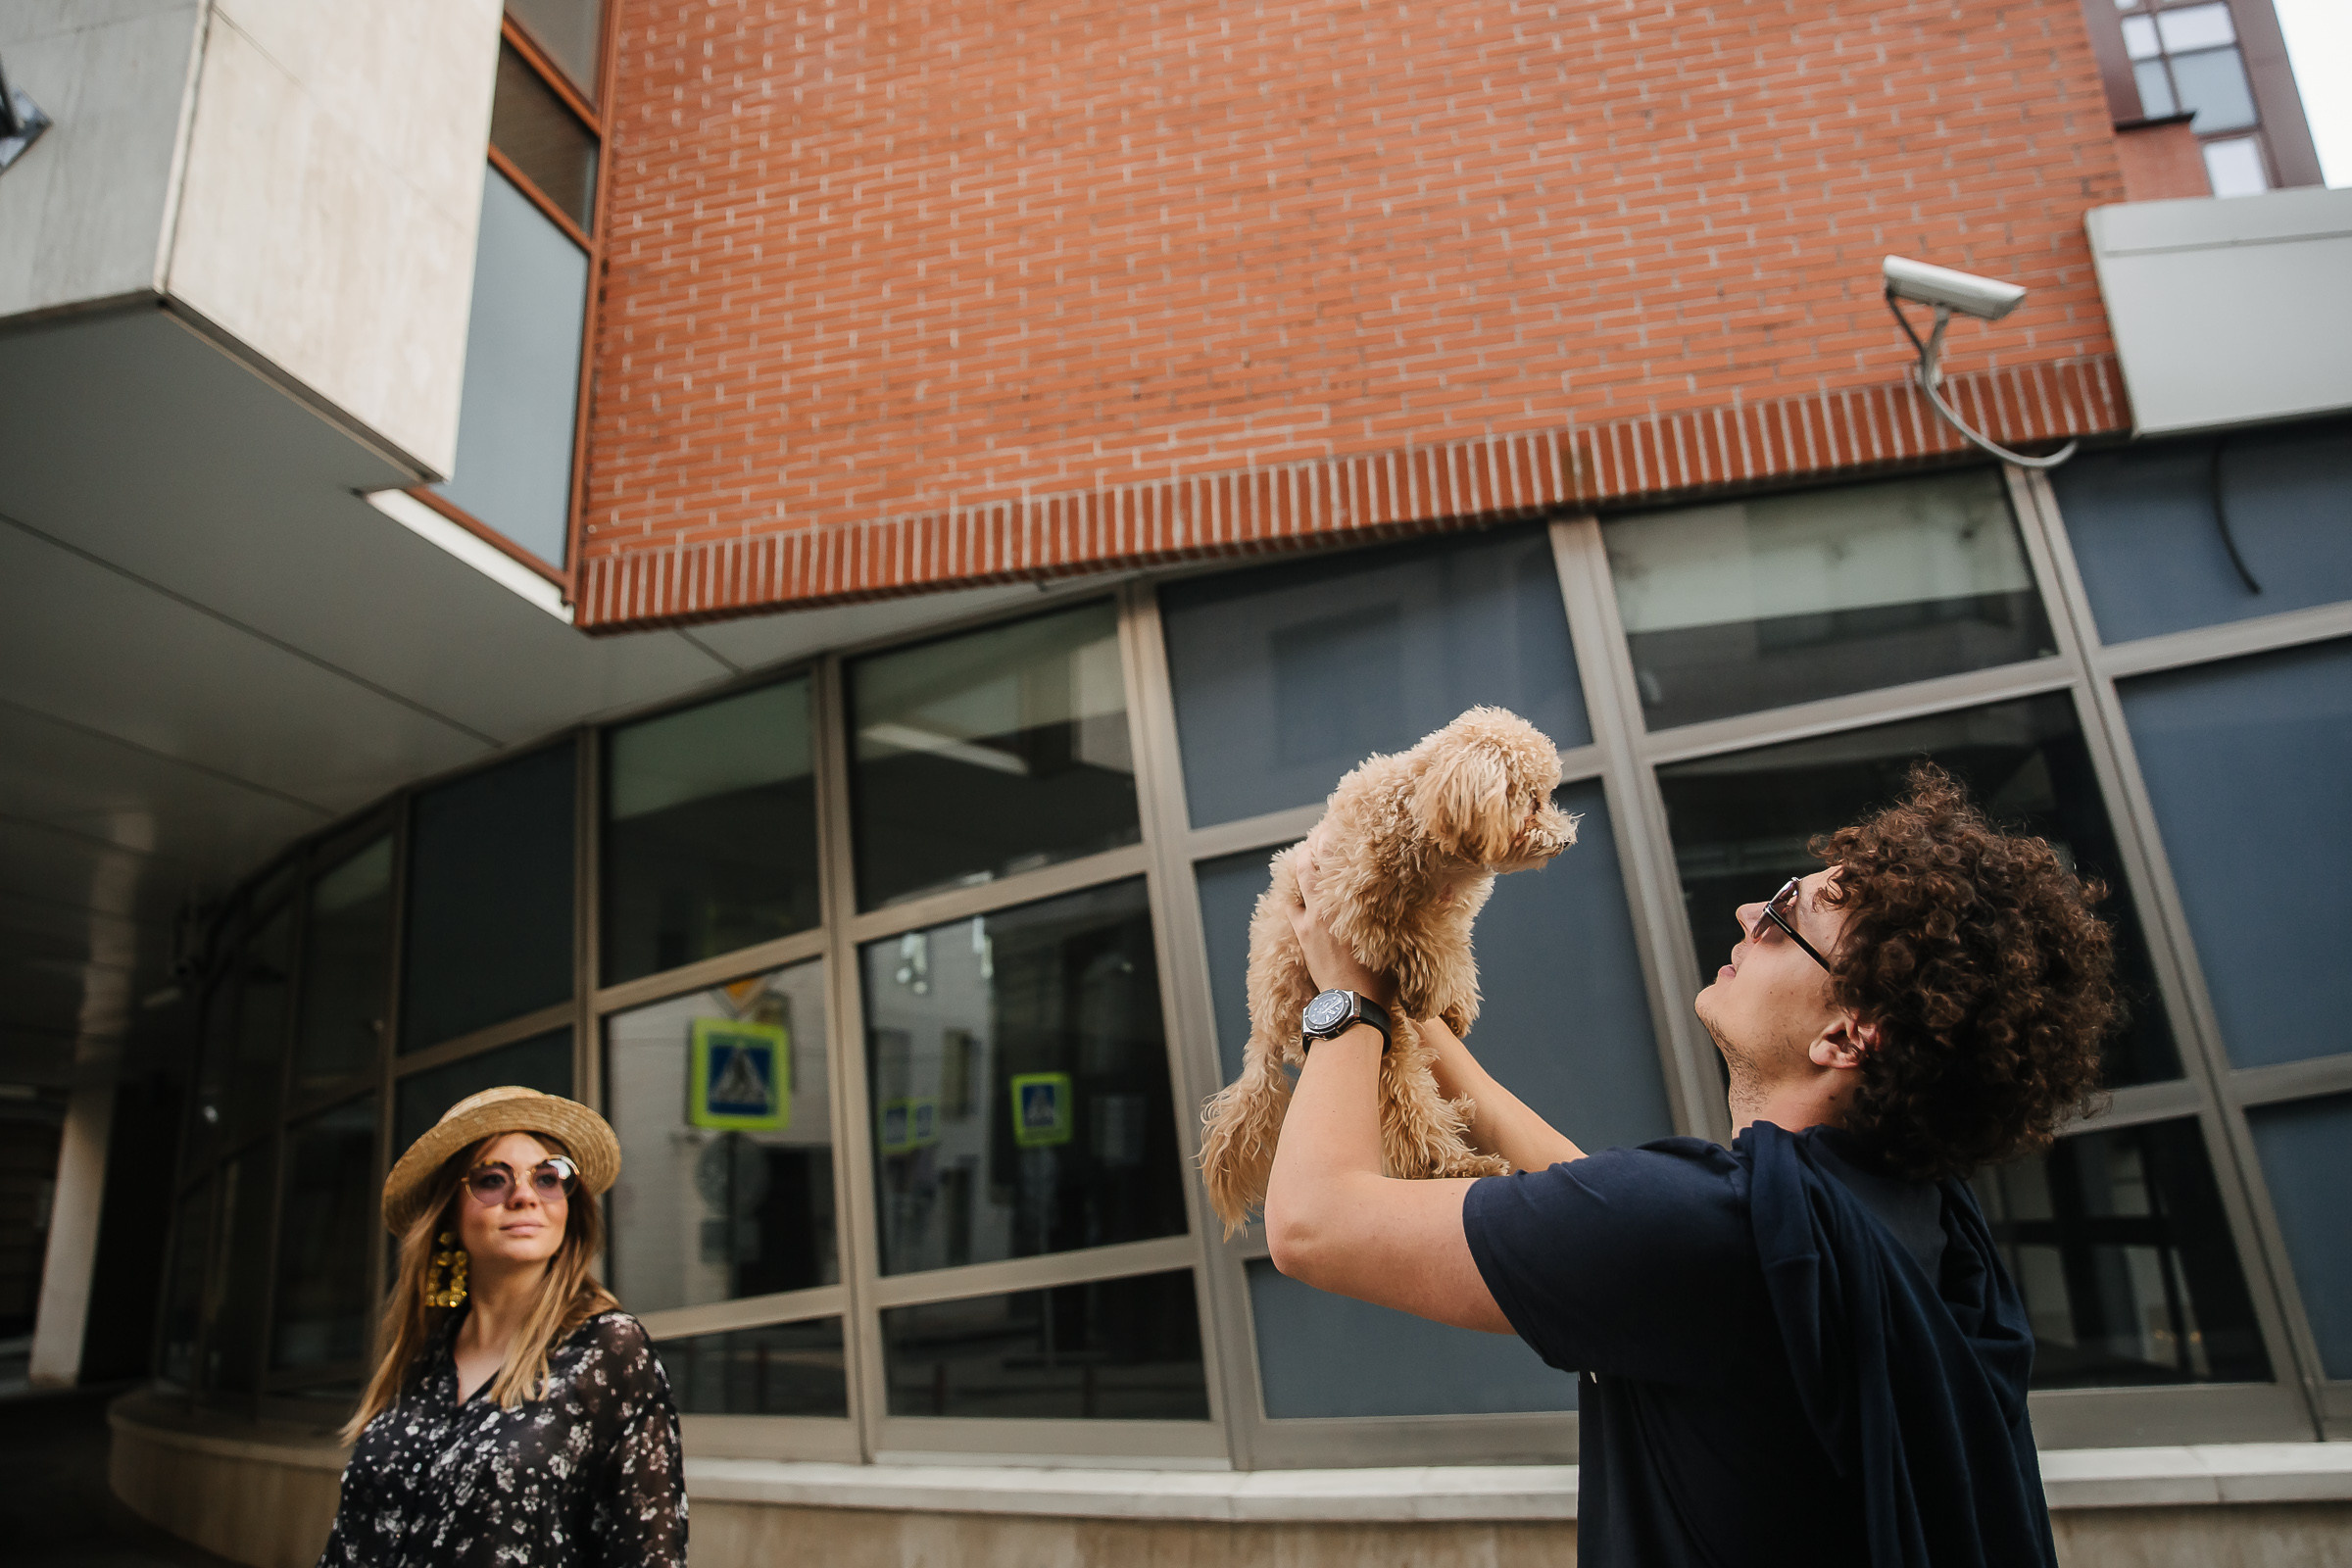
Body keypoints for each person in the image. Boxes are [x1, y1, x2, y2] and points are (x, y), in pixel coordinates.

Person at [1262, 763, 2116, 1568]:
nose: (1748, 913)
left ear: (1846, 1035)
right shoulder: (1910, 1220)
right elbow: (1619, 1224)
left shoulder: (1714, 1233)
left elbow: (1314, 1224)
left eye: (1784, 918)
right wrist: (1412, 1011)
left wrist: (1348, 1001)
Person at [319, 1086, 686, 1567]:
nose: (524, 1196)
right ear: (450, 1211)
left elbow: (649, 1554)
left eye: (549, 1177)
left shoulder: (608, 1350)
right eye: (493, 1180)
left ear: (570, 1208)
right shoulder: (423, 1353)